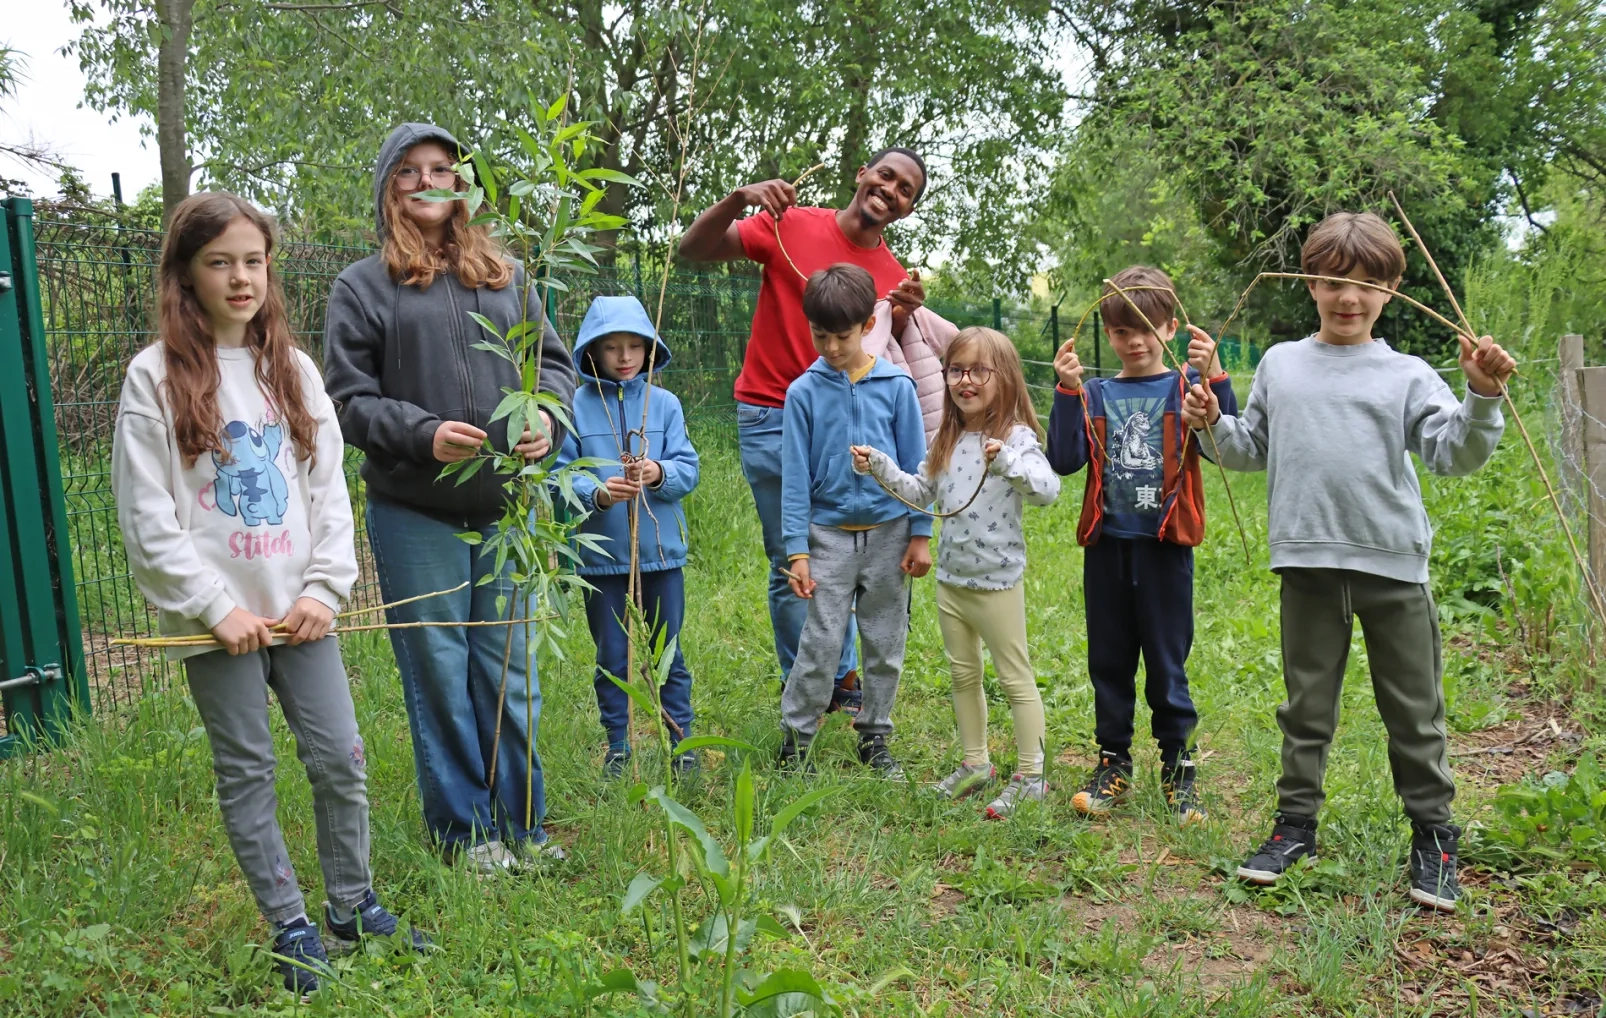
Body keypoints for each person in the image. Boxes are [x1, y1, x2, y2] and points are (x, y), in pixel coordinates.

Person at [112, 192, 429, 998]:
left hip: (302, 614)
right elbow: (147, 514)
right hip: (217, 623)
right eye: (219, 262)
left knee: (341, 757)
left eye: (253, 261)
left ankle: (351, 905)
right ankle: (290, 926)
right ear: (186, 273)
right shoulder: (153, 378)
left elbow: (327, 491)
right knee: (248, 768)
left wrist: (325, 588)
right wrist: (215, 608)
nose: (240, 278)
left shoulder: (291, 369)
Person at [1180, 211, 1516, 911]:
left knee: (1414, 711)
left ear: (1390, 290)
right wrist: (1211, 423)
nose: (1349, 297)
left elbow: (1455, 454)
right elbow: (1250, 448)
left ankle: (1434, 835)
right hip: (1306, 565)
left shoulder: (1408, 374)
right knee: (1305, 707)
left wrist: (1482, 395)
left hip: (1394, 567)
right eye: (1333, 281)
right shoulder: (1281, 364)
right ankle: (1294, 827)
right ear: (1310, 283)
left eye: (1368, 284)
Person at [323, 123, 577, 873]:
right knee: (439, 672)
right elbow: (347, 401)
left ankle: (524, 826)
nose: (428, 181)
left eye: (442, 169)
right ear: (387, 188)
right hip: (416, 510)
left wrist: (546, 418)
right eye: (409, 171)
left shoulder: (508, 276)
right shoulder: (363, 287)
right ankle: (467, 835)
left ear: (465, 184)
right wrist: (423, 433)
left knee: (509, 673)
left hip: (506, 511)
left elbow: (553, 366)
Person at [678, 148, 933, 712]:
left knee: (844, 547)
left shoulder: (893, 277)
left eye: (905, 190)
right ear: (863, 173)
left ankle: (838, 677)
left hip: (843, 427)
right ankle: (811, 686)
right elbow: (691, 249)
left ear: (908, 209)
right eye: (886, 175)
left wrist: (903, 316)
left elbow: (882, 357)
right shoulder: (788, 224)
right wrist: (739, 198)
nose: (891, 190)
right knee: (790, 556)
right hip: (770, 413)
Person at [1045, 266, 1238, 824]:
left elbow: (1228, 445)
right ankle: (1113, 763)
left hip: (1165, 549)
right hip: (1107, 549)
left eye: (1148, 329)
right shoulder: (1096, 394)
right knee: (1108, 660)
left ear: (1171, 327)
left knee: (1166, 660)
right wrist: (1067, 392)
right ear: (1107, 334)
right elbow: (1064, 460)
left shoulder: (1186, 389)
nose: (1135, 341)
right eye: (1122, 331)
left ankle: (1179, 768)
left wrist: (1217, 379)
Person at [852, 327, 1060, 818]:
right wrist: (879, 465)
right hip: (951, 582)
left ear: (1004, 377)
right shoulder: (945, 439)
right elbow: (918, 492)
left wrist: (1007, 462)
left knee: (1015, 678)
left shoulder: (1016, 438)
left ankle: (1031, 776)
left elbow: (1047, 490)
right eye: (956, 370)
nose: (965, 381)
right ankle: (975, 763)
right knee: (963, 675)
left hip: (997, 583)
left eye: (979, 371)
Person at [779, 264, 929, 776]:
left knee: (885, 644)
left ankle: (875, 736)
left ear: (867, 326)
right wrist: (797, 551)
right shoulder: (802, 393)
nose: (831, 347)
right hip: (827, 540)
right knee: (820, 645)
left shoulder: (898, 386)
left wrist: (920, 534)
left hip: (891, 537)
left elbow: (917, 468)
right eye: (819, 335)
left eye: (842, 336)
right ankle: (796, 740)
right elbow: (795, 479)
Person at [552, 295, 701, 779]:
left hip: (661, 556)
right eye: (611, 347)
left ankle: (682, 745)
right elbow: (560, 478)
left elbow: (688, 468)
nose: (624, 357)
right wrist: (597, 493)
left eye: (634, 346)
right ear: (591, 351)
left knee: (668, 653)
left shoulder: (665, 404)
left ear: (649, 349)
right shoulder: (574, 407)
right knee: (612, 656)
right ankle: (618, 748)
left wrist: (659, 472)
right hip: (602, 560)